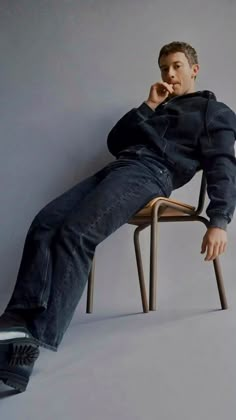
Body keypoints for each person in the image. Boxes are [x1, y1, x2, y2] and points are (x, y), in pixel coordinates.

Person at [1, 41, 236, 393]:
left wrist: (219, 220)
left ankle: (31, 342)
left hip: (152, 174)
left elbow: (223, 166)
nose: (169, 74)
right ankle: (16, 320)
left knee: (77, 233)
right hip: (119, 167)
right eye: (163, 68)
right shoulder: (158, 107)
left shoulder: (213, 112)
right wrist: (150, 104)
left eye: (176, 66)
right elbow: (115, 141)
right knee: (45, 222)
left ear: (194, 69)